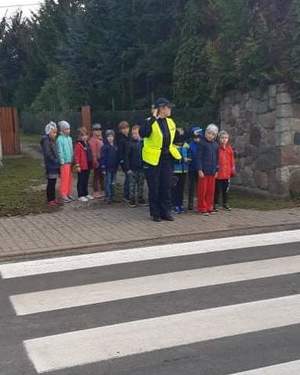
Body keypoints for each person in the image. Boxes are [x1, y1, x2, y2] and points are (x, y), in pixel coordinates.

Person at [140, 97, 181, 222]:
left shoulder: (170, 122)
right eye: (168, 107)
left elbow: (175, 138)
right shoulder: (149, 121)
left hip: (167, 158)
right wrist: (153, 118)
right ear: (162, 108)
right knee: (155, 187)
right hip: (153, 159)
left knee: (166, 185)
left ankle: (166, 212)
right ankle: (155, 213)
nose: (170, 109)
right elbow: (143, 133)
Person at [197, 124, 219, 215]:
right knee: (203, 190)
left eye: (213, 134)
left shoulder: (216, 145)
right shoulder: (202, 143)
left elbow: (217, 158)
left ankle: (210, 207)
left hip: (212, 171)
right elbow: (198, 157)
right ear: (205, 132)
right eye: (208, 133)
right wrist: (199, 169)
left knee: (211, 191)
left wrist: (217, 170)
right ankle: (202, 208)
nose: (210, 135)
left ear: (215, 136)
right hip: (204, 171)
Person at [214, 130, 236, 211]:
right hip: (219, 173)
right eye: (222, 138)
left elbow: (232, 159)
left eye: (226, 138)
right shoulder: (217, 148)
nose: (224, 140)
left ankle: (225, 203)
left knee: (225, 190)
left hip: (227, 173)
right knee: (217, 190)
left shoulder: (229, 148)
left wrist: (232, 168)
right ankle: (215, 203)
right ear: (219, 139)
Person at [125, 125, 146, 208]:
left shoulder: (143, 143)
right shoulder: (129, 144)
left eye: (136, 133)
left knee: (141, 184)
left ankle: (140, 198)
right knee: (132, 185)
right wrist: (128, 168)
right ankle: (132, 200)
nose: (135, 135)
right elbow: (126, 157)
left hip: (141, 167)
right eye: (133, 133)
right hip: (132, 168)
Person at [40, 121, 60, 207]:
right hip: (50, 165)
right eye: (54, 132)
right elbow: (48, 153)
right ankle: (50, 199)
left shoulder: (52, 140)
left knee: (54, 182)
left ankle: (53, 198)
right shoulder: (46, 140)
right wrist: (54, 160)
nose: (55, 134)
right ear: (49, 132)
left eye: (56, 132)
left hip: (54, 164)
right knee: (51, 182)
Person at [172, 129, 189, 214]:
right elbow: (172, 159)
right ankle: (174, 204)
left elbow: (189, 155)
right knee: (175, 188)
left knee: (181, 189)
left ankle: (180, 204)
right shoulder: (172, 146)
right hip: (175, 171)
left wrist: (188, 159)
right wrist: (181, 160)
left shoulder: (186, 145)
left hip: (184, 170)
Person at [74, 127, 94, 202]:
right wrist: (78, 165)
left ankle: (86, 193)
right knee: (81, 180)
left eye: (86, 135)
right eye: (82, 135)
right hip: (81, 166)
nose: (84, 137)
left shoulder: (87, 143)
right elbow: (76, 156)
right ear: (79, 136)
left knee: (86, 180)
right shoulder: (78, 145)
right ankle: (80, 195)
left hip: (88, 165)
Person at [56, 121, 74, 203]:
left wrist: (73, 159)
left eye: (69, 129)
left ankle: (68, 193)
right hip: (64, 163)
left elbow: (71, 149)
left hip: (70, 162)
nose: (68, 130)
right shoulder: (60, 139)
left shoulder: (69, 138)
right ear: (62, 130)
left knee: (70, 179)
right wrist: (62, 161)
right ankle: (63, 194)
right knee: (64, 179)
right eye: (66, 129)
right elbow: (60, 151)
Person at [101, 130, 119, 204]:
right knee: (107, 183)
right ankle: (107, 197)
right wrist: (103, 167)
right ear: (106, 137)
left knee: (113, 183)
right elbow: (103, 158)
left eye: (111, 136)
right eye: (108, 136)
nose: (110, 138)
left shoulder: (115, 146)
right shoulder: (104, 147)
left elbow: (117, 157)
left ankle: (113, 196)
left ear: (114, 137)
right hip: (107, 168)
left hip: (114, 168)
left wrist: (117, 165)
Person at [188, 127, 203, 210]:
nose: (197, 139)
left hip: (200, 169)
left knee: (200, 186)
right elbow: (189, 155)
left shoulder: (203, 145)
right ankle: (190, 203)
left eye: (198, 137)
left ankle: (200, 202)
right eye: (195, 137)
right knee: (191, 186)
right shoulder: (190, 145)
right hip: (192, 169)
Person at [89, 123, 104, 199]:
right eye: (96, 130)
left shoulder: (100, 139)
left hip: (102, 160)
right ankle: (95, 191)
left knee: (101, 176)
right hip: (96, 160)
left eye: (99, 129)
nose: (98, 131)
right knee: (96, 176)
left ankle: (101, 190)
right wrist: (95, 161)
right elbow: (93, 152)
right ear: (93, 131)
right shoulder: (92, 140)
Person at [117, 121, 130, 202]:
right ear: (120, 130)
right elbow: (120, 152)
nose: (125, 130)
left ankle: (128, 194)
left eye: (126, 128)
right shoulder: (121, 139)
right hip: (125, 162)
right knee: (128, 178)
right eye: (123, 129)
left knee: (130, 178)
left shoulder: (129, 137)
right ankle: (126, 195)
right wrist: (122, 162)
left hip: (130, 160)